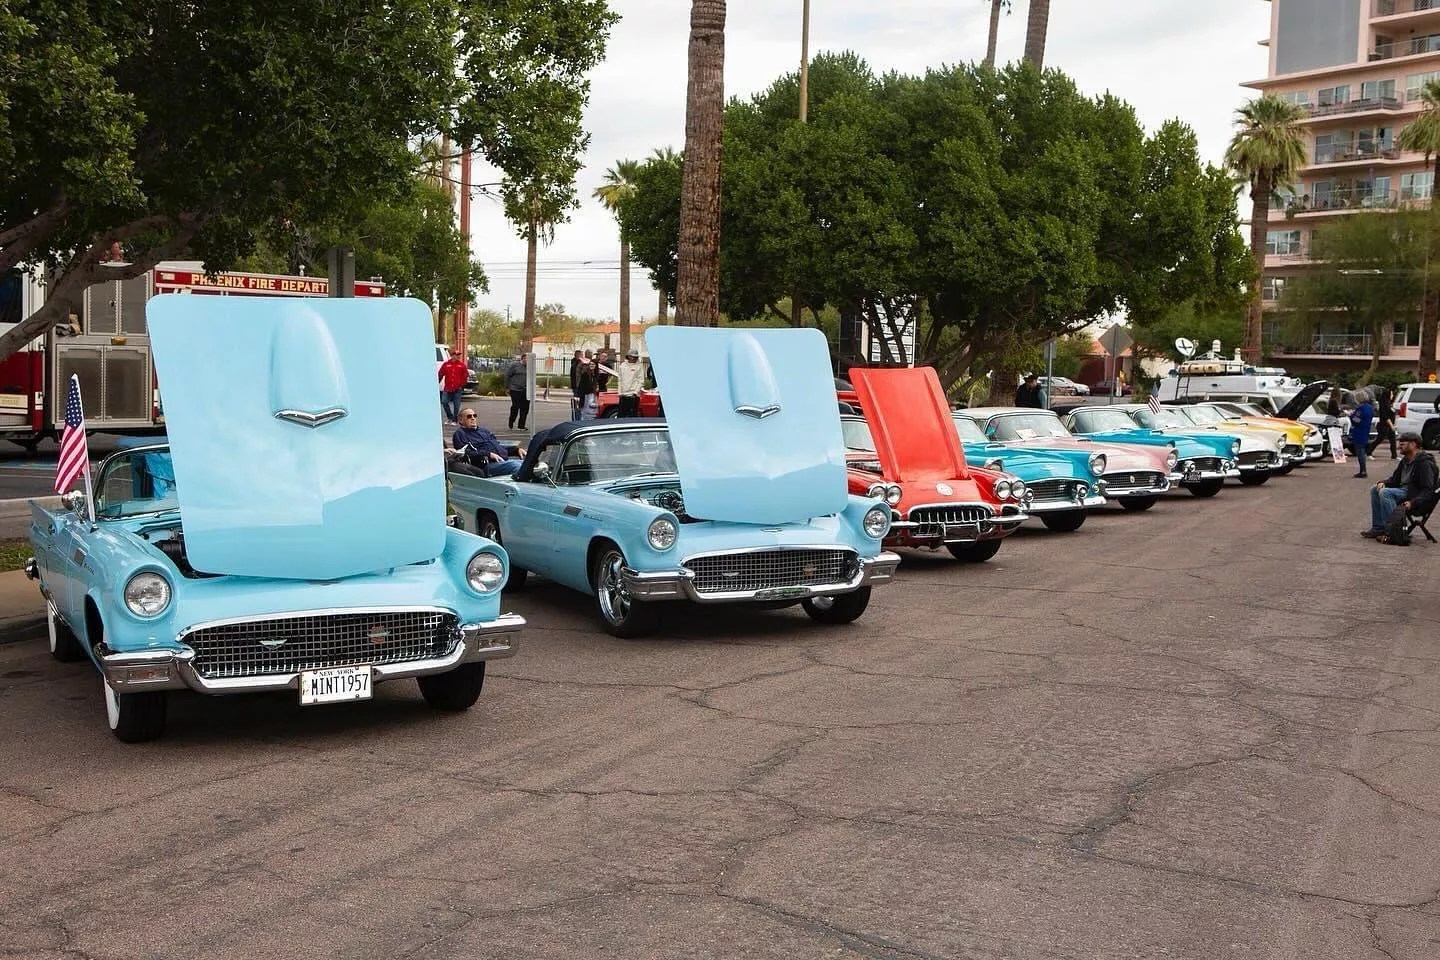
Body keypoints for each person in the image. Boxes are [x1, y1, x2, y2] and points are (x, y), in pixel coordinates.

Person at [1362, 431, 1438, 542]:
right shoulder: (1405, 460)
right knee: (1375, 489)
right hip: (1403, 491)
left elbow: (1427, 490)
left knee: (1386, 493)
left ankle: (1394, 531)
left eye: (1403, 443)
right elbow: (1395, 480)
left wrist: (1413, 502)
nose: (1399, 446)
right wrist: (1384, 482)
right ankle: (1378, 528)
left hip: (1414, 496)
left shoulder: (1424, 463)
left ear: (1413, 444)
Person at [450, 409, 527, 477]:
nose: (473, 418)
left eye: (474, 415)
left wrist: (516, 450)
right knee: (516, 466)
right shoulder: (460, 434)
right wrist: (488, 454)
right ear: (461, 420)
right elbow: (464, 453)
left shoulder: (484, 431)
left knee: (528, 464)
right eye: (469, 416)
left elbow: (498, 447)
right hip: (486, 465)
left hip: (503, 461)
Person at [438, 349, 469, 424]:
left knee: (456, 405)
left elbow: (465, 376)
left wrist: (461, 385)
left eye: (458, 355)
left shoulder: (462, 365)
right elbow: (440, 374)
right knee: (444, 402)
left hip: (457, 389)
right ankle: (450, 417)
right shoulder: (446, 364)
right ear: (452, 356)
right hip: (447, 388)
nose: (458, 356)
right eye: (456, 355)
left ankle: (455, 420)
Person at [1350, 388, 1374, 478]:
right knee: (1362, 450)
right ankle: (1363, 470)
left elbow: (1356, 420)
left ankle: (1363, 471)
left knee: (1360, 452)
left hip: (1359, 431)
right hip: (1366, 430)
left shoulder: (1360, 409)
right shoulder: (1369, 408)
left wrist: (1351, 415)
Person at [503, 353, 529, 430]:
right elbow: (507, 375)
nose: (527, 361)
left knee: (525, 408)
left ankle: (521, 425)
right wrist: (507, 387)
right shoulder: (514, 365)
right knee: (515, 406)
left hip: (525, 390)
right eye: (526, 359)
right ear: (523, 358)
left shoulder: (530, 367)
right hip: (515, 389)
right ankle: (511, 420)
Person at [616, 347, 645, 417]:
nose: (633, 358)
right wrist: (619, 392)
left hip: (633, 396)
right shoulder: (622, 365)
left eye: (635, 357)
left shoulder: (639, 366)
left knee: (632, 416)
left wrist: (635, 392)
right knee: (621, 416)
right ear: (628, 356)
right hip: (623, 395)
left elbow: (641, 380)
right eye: (632, 356)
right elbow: (620, 380)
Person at [1375, 387, 1398, 459]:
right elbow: (1386, 417)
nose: (1392, 396)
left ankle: (1394, 456)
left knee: (1393, 441)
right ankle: (1368, 451)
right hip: (1384, 425)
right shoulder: (1384, 405)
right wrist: (1392, 426)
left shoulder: (1389, 404)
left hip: (1390, 425)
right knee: (1379, 439)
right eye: (1391, 394)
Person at [568, 350, 585, 421]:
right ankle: (577, 419)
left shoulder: (574, 363)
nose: (583, 356)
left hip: (575, 387)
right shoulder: (578, 364)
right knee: (578, 405)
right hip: (578, 387)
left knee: (576, 404)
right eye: (582, 355)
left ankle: (575, 418)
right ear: (579, 356)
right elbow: (578, 377)